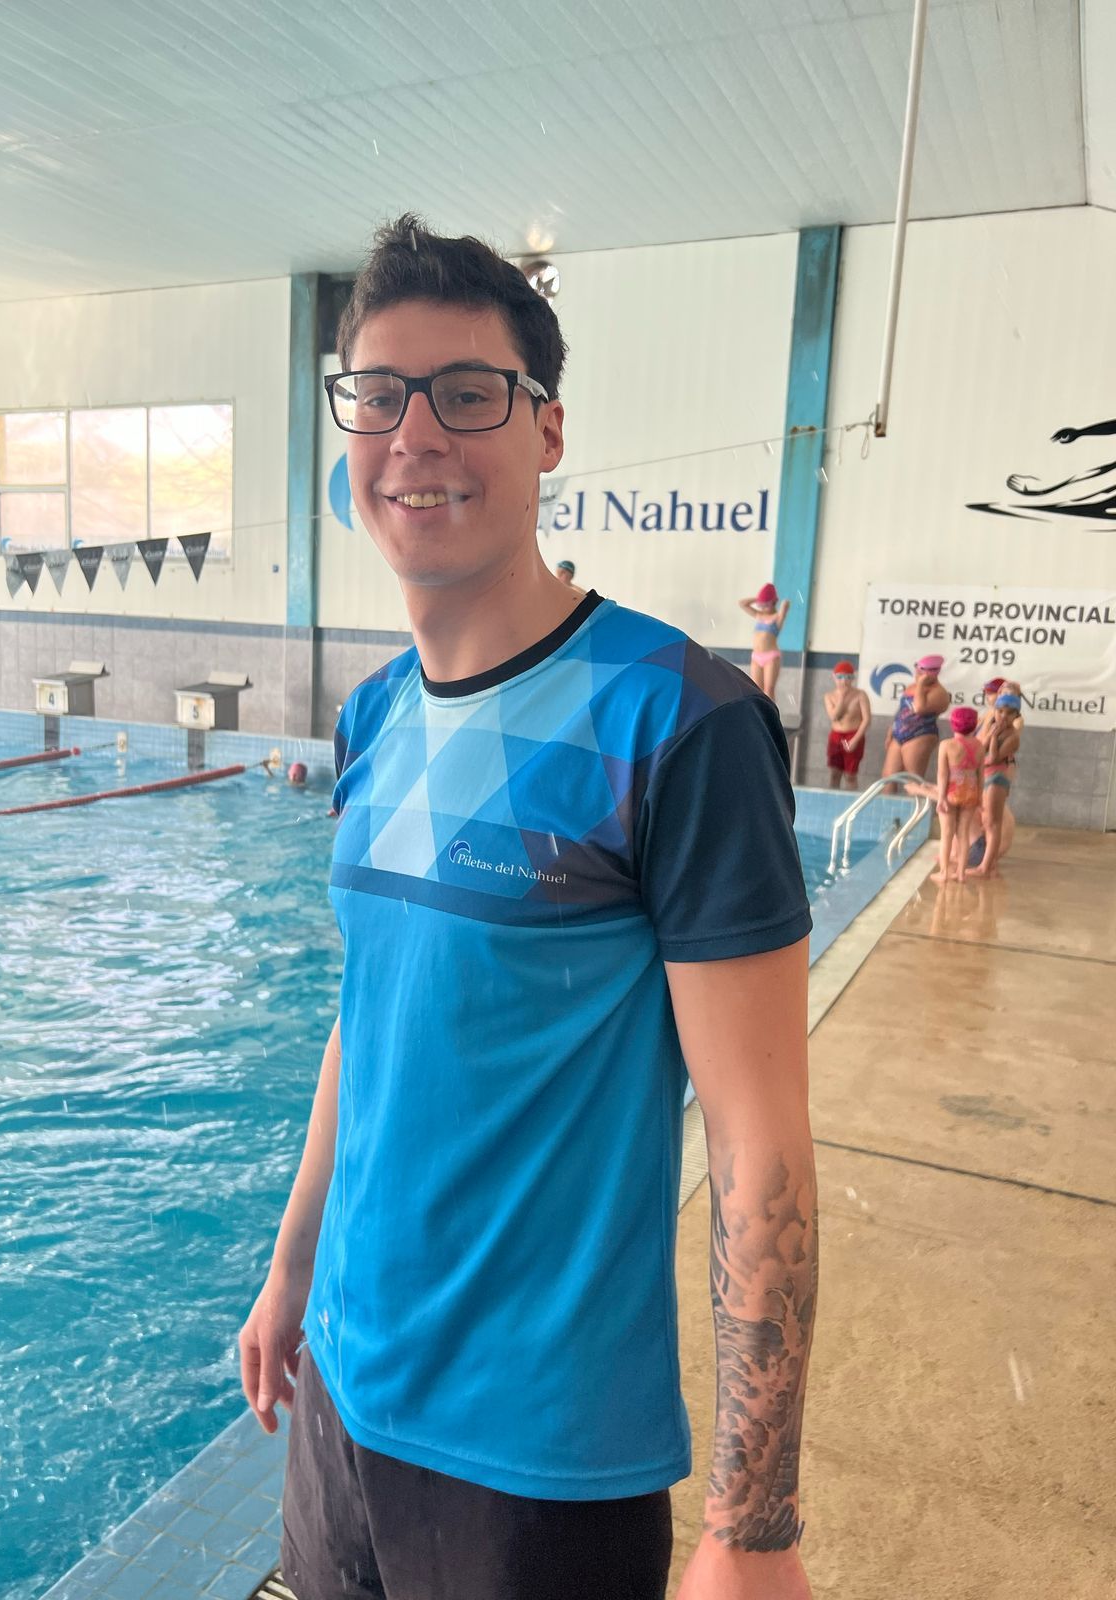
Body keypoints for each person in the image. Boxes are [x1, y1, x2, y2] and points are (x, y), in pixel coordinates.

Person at [239, 215, 817, 1600]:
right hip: (343, 1404)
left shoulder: (676, 718)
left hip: (536, 1467)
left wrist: (755, 1523)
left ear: (547, 432)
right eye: (379, 396)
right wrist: (289, 1272)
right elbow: (365, 1021)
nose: (415, 434)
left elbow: (759, 1142)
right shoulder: (373, 715)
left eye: (469, 393)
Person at [904, 778, 1016, 872]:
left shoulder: (984, 795)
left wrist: (919, 790)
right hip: (988, 853)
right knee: (963, 807)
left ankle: (955, 855)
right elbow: (955, 793)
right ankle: (955, 855)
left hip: (979, 853)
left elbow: (951, 801)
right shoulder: (988, 791)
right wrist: (932, 787)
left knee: (953, 810)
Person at [970, 690, 1021, 877]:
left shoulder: (1013, 736)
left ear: (1017, 715)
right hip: (987, 777)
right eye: (1000, 712)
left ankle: (986, 866)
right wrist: (990, 734)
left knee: (993, 824)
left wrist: (993, 736)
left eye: (1009, 713)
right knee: (987, 821)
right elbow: (979, 750)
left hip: (997, 779)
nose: (1004, 716)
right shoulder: (994, 728)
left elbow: (992, 758)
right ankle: (987, 864)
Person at [881, 654, 950, 789]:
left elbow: (919, 708)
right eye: (917, 669)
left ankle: (918, 809)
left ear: (933, 673)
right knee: (888, 777)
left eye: (921, 671)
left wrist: (921, 685)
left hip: (920, 735)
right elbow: (901, 711)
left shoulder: (940, 693)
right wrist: (891, 730)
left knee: (913, 779)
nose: (917, 673)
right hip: (898, 734)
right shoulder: (912, 687)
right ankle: (887, 809)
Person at [932, 706, 984, 885]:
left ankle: (944, 873)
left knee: (946, 834)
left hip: (951, 793)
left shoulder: (947, 745)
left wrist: (940, 798)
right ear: (975, 724)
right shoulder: (979, 746)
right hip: (971, 792)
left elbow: (942, 774)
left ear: (953, 725)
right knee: (963, 834)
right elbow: (981, 775)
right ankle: (961, 873)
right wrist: (980, 798)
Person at [822, 660, 871, 790]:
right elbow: (834, 717)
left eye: (848, 677)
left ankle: (853, 807)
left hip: (854, 735)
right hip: (835, 736)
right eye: (840, 677)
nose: (844, 681)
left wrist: (855, 740)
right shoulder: (829, 696)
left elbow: (867, 720)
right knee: (834, 774)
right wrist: (842, 698)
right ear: (834, 677)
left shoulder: (860, 695)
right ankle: (832, 804)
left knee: (850, 776)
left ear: (853, 678)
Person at [737, 582, 789, 702]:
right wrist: (759, 599)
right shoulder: (758, 615)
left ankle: (770, 718)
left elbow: (784, 608)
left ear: (774, 603)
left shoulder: (777, 618)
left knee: (769, 690)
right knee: (756, 690)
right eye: (762, 605)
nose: (764, 608)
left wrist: (784, 606)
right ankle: (759, 717)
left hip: (771, 657)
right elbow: (742, 604)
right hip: (756, 657)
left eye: (767, 605)